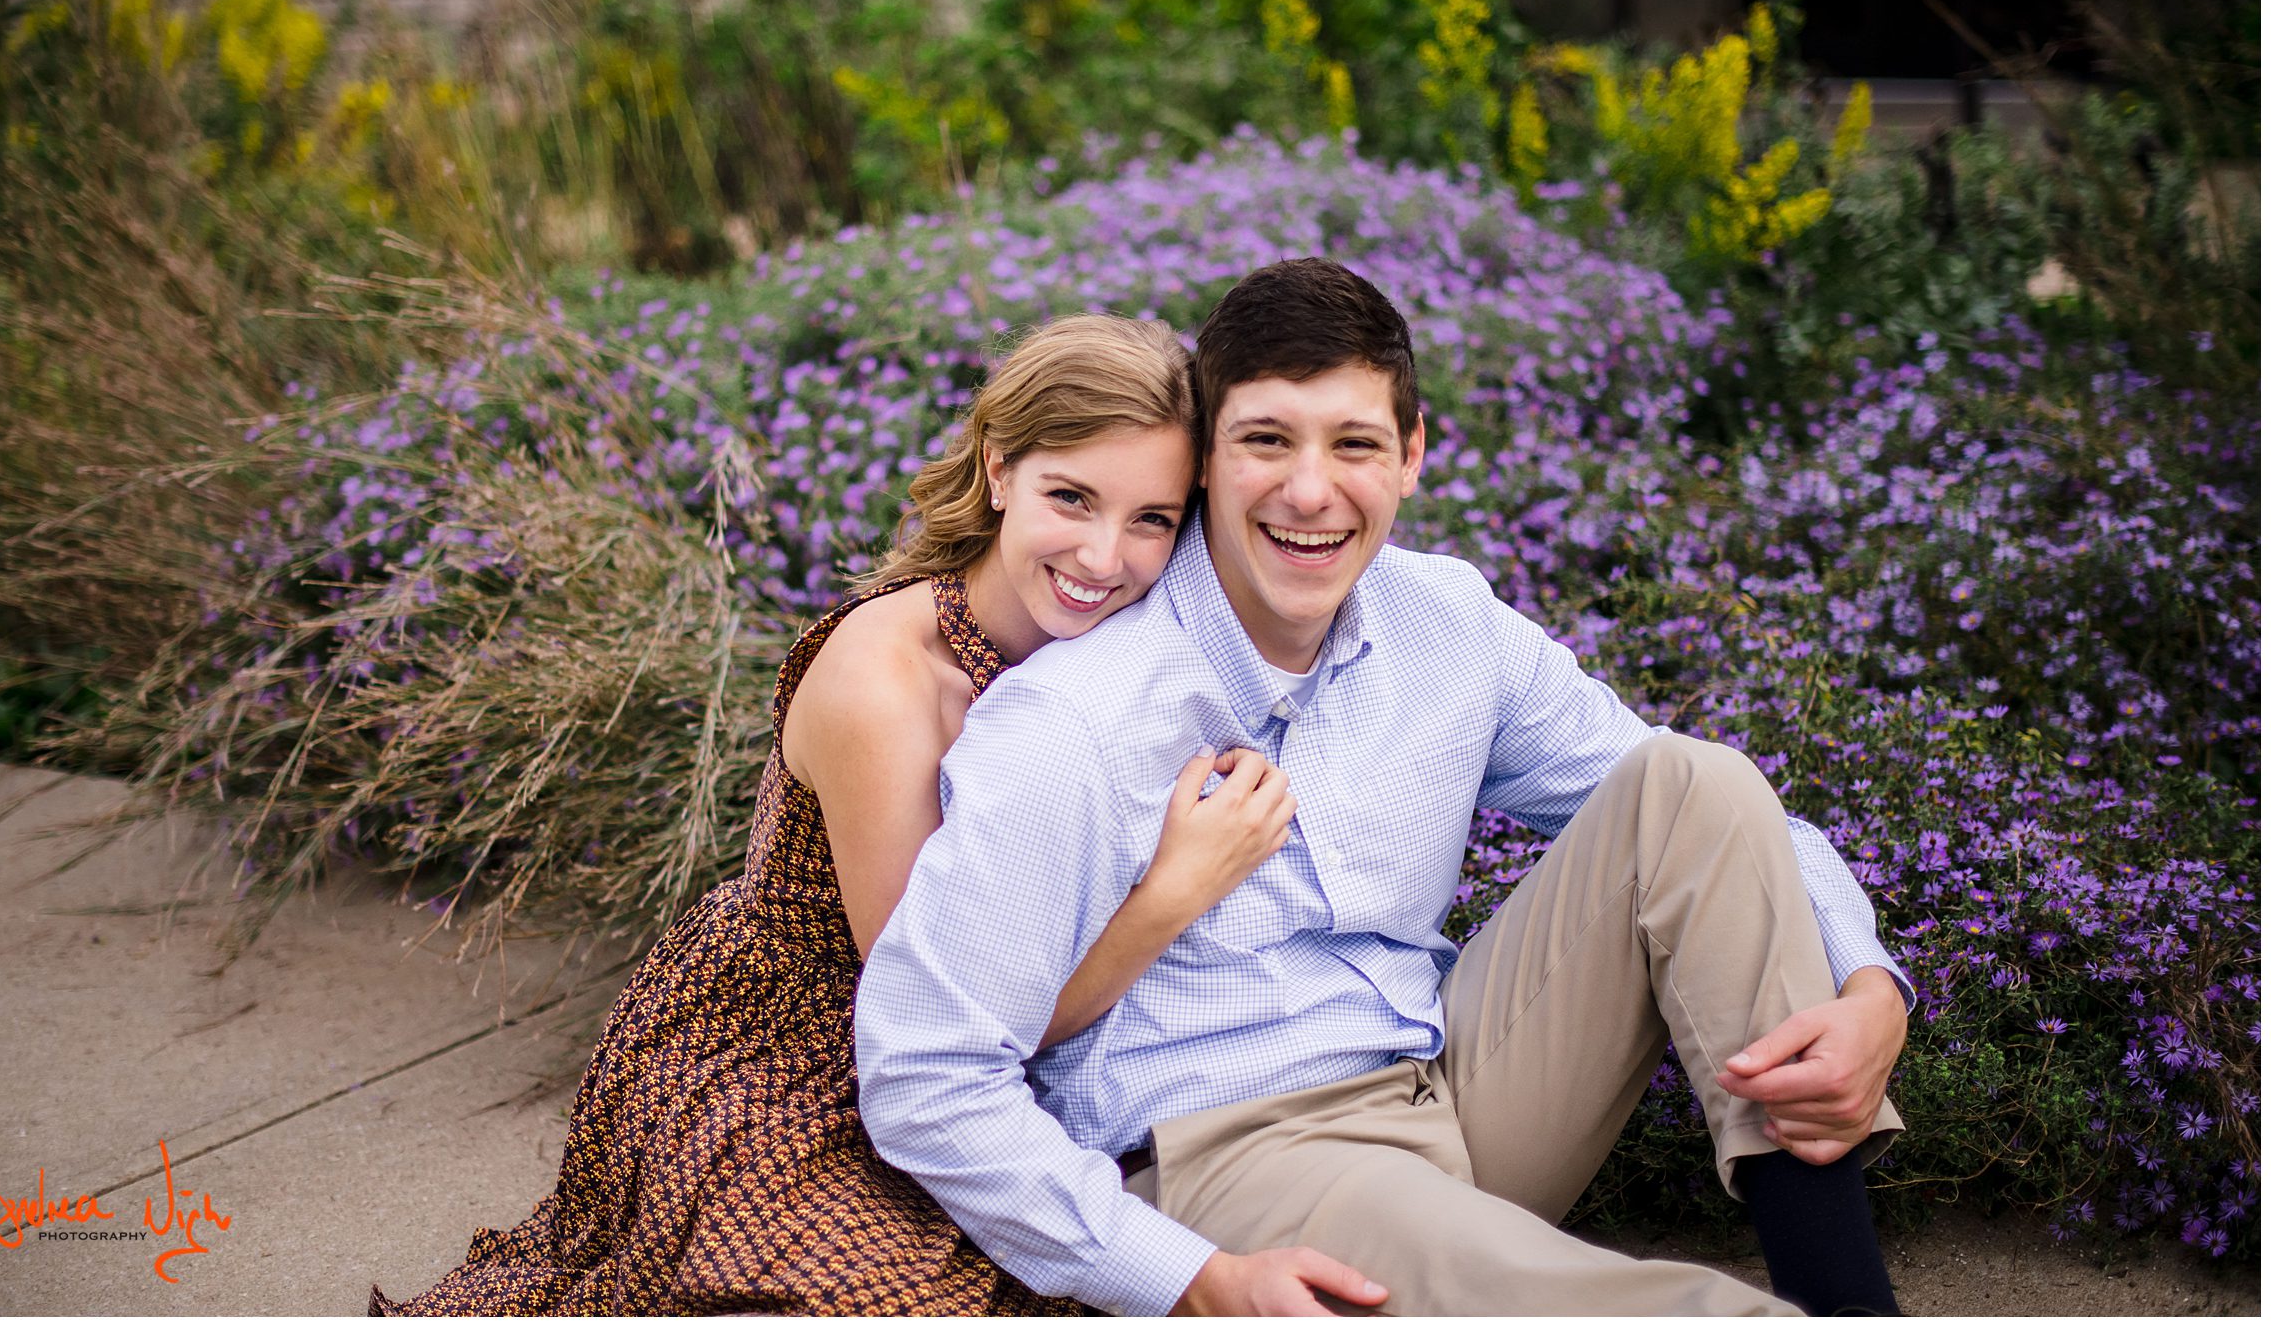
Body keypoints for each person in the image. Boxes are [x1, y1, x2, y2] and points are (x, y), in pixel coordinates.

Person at [857, 258, 1912, 1318]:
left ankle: (1847, 1290)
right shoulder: (1075, 719)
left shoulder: (1445, 619)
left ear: (1410, 455)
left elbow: (1705, 822)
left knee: (1692, 782)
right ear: (1208, 464)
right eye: (1267, 440)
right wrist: (1188, 1278)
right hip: (1243, 1158)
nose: (1311, 490)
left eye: (1354, 443)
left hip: (1452, 1089)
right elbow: (926, 1076)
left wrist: (1869, 982)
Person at [369, 313, 1298, 1315]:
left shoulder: (1132, 640)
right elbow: (953, 1026)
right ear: (998, 470)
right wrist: (1174, 890)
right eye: (1069, 496)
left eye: (1153, 518)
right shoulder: (887, 685)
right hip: (803, 1055)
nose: (1104, 554)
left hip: (1016, 1037)